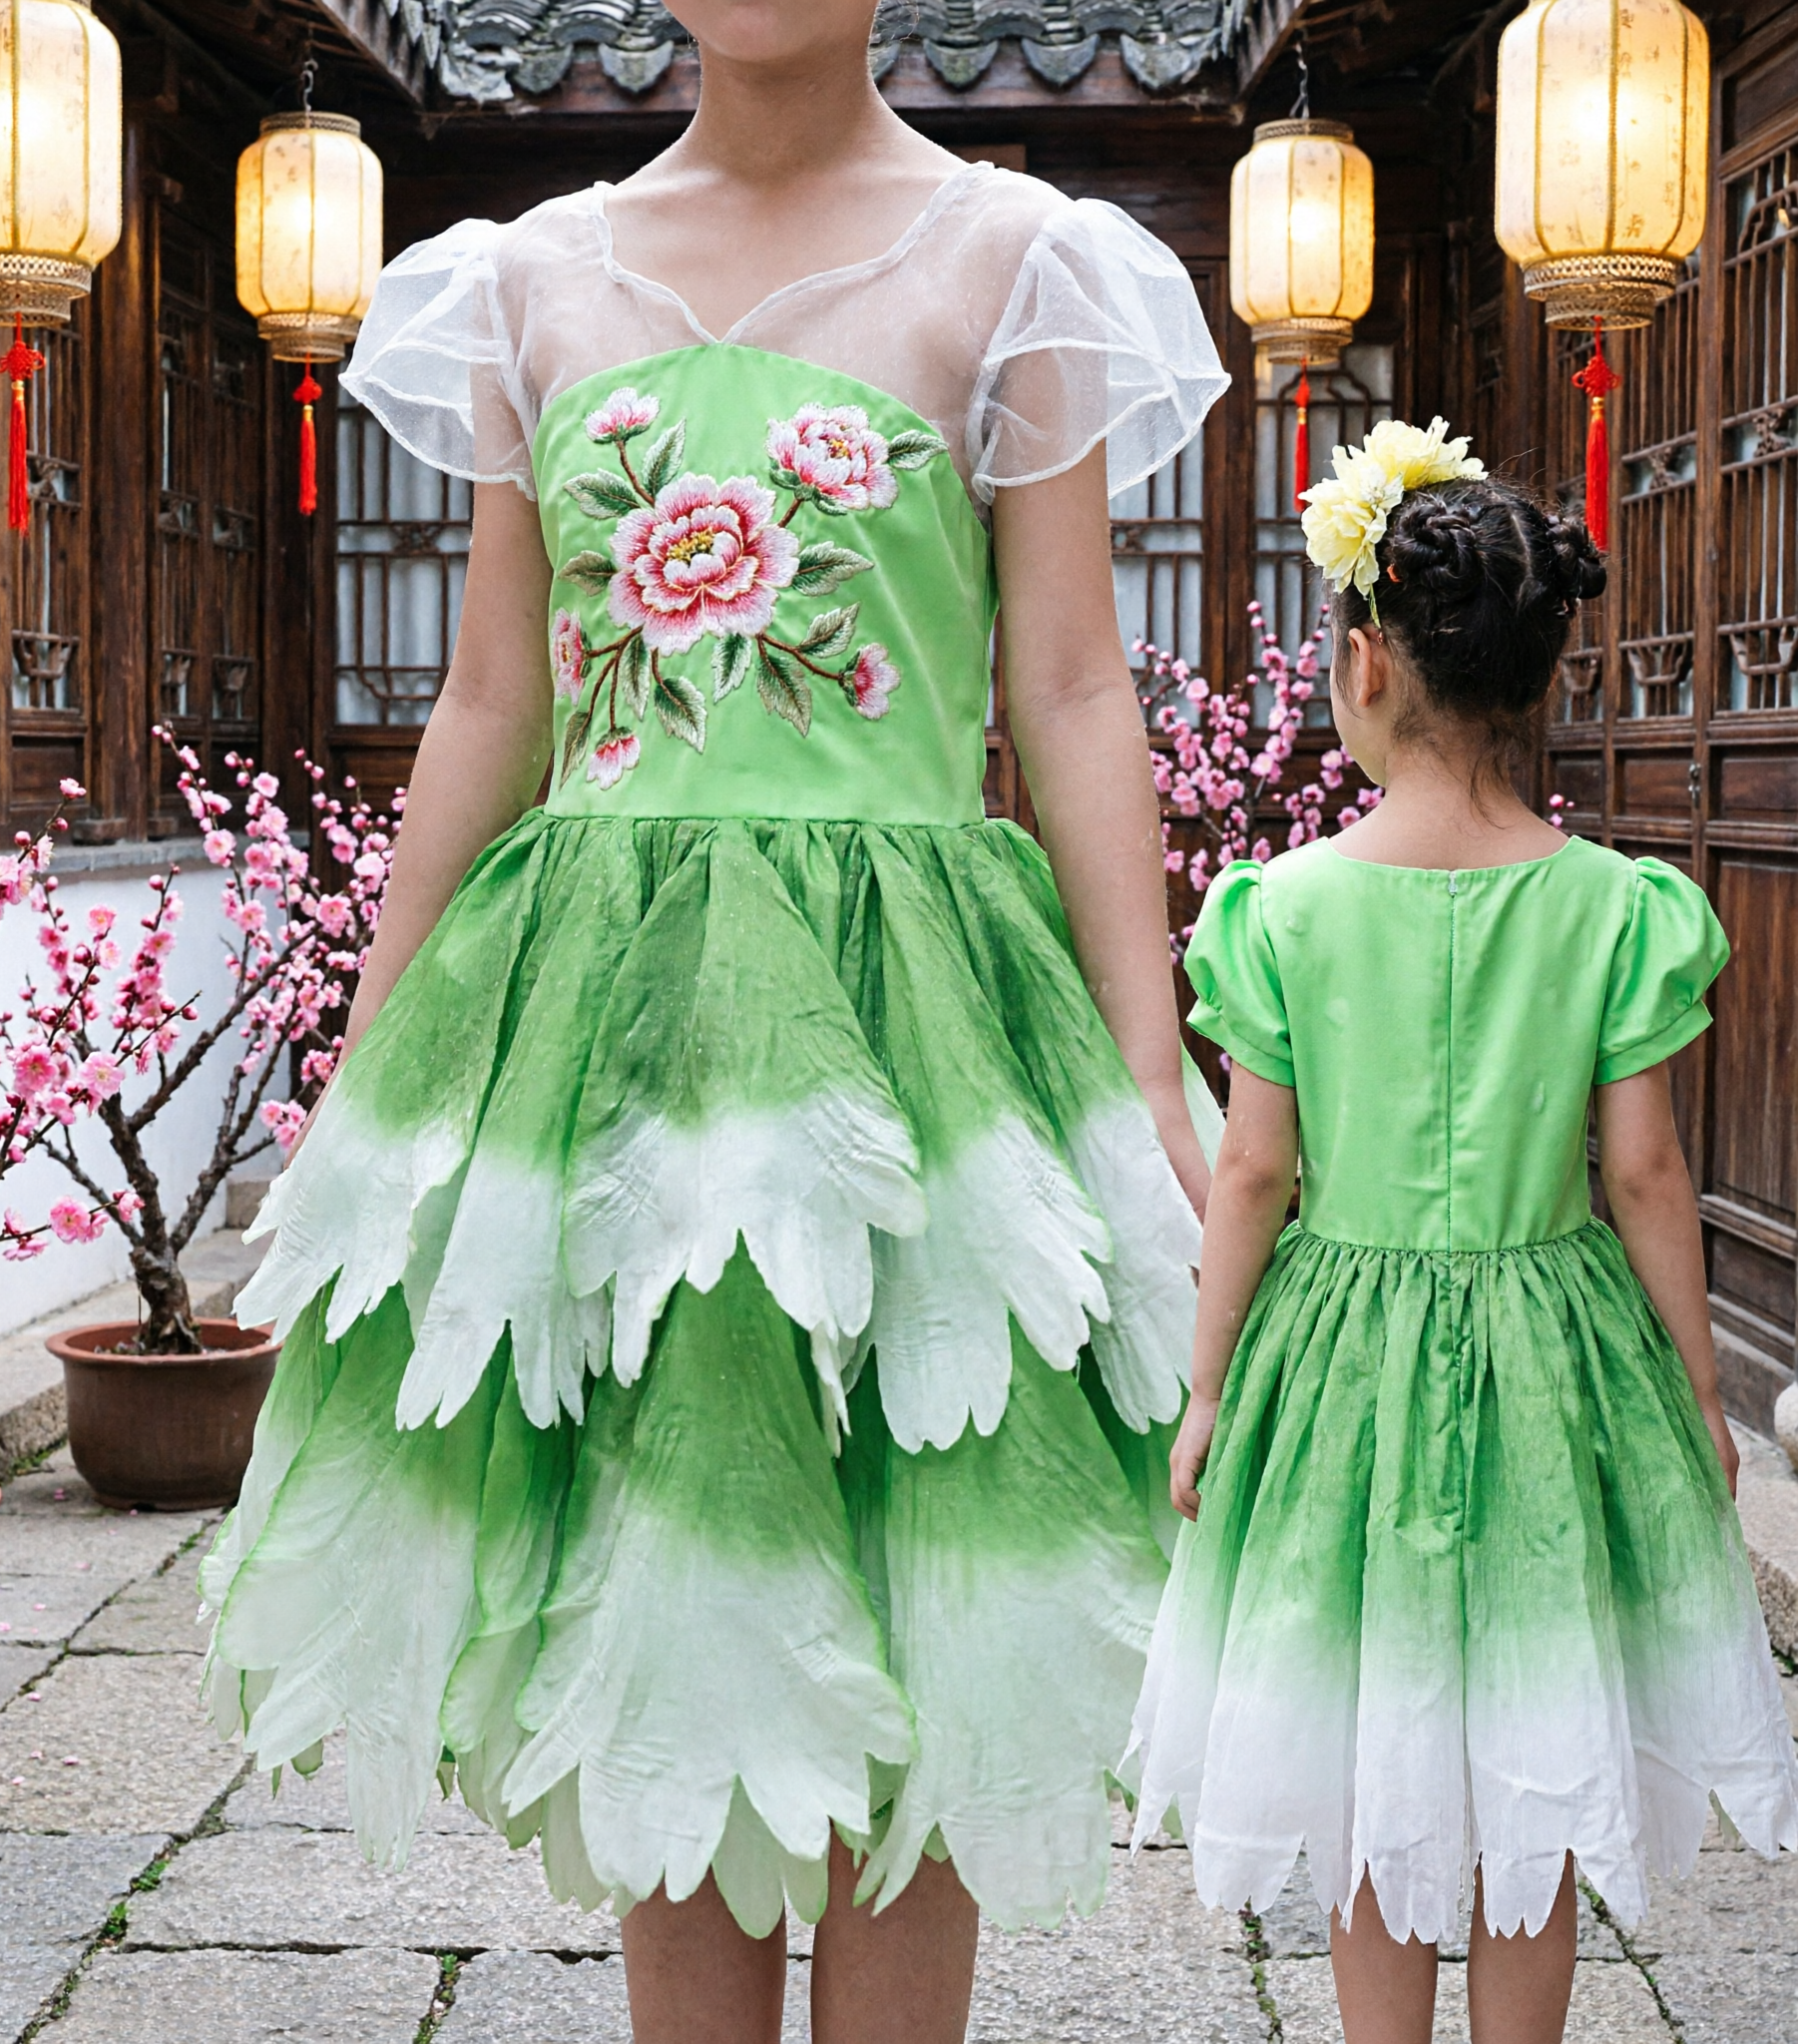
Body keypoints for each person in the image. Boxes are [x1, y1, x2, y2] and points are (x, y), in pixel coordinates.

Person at [199, 3, 1229, 2038]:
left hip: (914, 1025)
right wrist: (373, 1049)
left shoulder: (1019, 265)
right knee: (668, 1605)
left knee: (923, 1591)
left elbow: (1069, 682)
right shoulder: (529, 282)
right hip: (616, 1035)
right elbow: (492, 696)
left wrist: (1143, 1061)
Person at [1128, 424, 1798, 2044]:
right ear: (1538, 673)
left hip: (1338, 1366)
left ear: (1366, 663)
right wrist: (1695, 1387)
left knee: (1376, 1756)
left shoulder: (1283, 908)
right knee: (1532, 1750)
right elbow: (1646, 1172)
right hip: (1554, 1353)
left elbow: (1254, 1173)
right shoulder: (1614, 904)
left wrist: (1209, 1387)